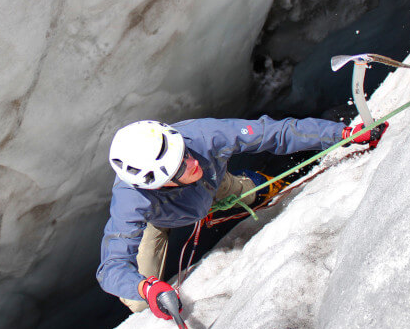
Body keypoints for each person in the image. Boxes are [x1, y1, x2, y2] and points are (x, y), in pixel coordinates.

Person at [95, 116, 387, 318]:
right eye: (179, 166)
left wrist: (343, 134)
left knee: (257, 193)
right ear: (156, 183)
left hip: (212, 184)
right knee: (136, 301)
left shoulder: (203, 136)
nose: (192, 160)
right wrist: (147, 288)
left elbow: (276, 133)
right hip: (160, 219)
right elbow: (111, 267)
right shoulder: (131, 201)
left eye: (184, 152)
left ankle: (262, 184)